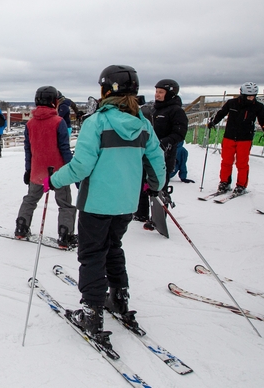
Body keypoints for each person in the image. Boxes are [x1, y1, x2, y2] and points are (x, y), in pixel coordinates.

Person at [47, 65, 165, 352]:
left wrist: (54, 179)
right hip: (125, 203)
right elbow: (157, 158)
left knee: (92, 254)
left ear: (106, 90)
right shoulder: (142, 122)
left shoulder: (97, 122)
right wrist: (156, 185)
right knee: (113, 247)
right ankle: (119, 297)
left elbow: (81, 166)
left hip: (97, 202)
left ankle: (91, 312)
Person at [15, 86, 76, 249]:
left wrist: (28, 169)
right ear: (54, 102)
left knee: (30, 199)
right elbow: (64, 149)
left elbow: (28, 149)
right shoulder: (59, 122)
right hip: (58, 172)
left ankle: (21, 227)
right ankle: (65, 235)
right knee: (65, 204)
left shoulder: (30, 124)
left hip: (37, 170)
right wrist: (72, 171)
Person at [134, 79, 188, 224]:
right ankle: (141, 213)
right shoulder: (153, 109)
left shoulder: (176, 111)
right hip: (146, 152)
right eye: (156, 91)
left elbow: (180, 133)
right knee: (142, 183)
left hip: (165, 154)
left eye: (161, 92)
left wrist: (164, 142)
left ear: (170, 94)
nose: (157, 95)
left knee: (158, 184)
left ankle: (158, 218)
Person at [208, 82, 264, 195]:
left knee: (242, 163)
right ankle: (224, 183)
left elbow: (263, 120)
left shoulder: (258, 106)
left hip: (245, 138)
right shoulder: (232, 103)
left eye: (253, 96)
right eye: (249, 96)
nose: (251, 98)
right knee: (226, 161)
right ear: (242, 95)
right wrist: (213, 122)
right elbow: (221, 113)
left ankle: (241, 185)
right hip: (229, 136)